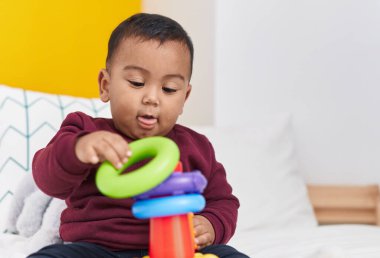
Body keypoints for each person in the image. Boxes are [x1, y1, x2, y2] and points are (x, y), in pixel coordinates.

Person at [29, 13, 248, 258]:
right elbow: (46, 178)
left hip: (178, 250)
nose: (152, 98)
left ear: (184, 97)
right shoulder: (85, 132)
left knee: (230, 255)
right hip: (98, 250)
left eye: (169, 89)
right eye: (136, 82)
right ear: (105, 85)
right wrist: (78, 150)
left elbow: (223, 201)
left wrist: (211, 224)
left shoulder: (197, 147)